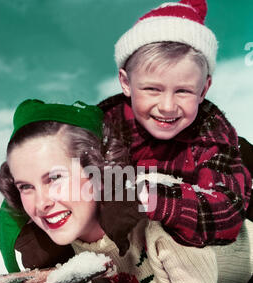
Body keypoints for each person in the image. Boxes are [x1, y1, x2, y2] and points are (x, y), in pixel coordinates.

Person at [0, 98, 253, 283]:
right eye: (26, 187)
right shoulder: (55, 246)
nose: (41, 203)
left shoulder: (161, 215)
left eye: (55, 178)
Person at [97, 0, 252, 257]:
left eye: (183, 91)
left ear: (203, 89)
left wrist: (151, 198)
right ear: (126, 83)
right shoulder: (102, 129)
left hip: (205, 245)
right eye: (152, 89)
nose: (167, 107)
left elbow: (228, 214)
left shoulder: (213, 137)